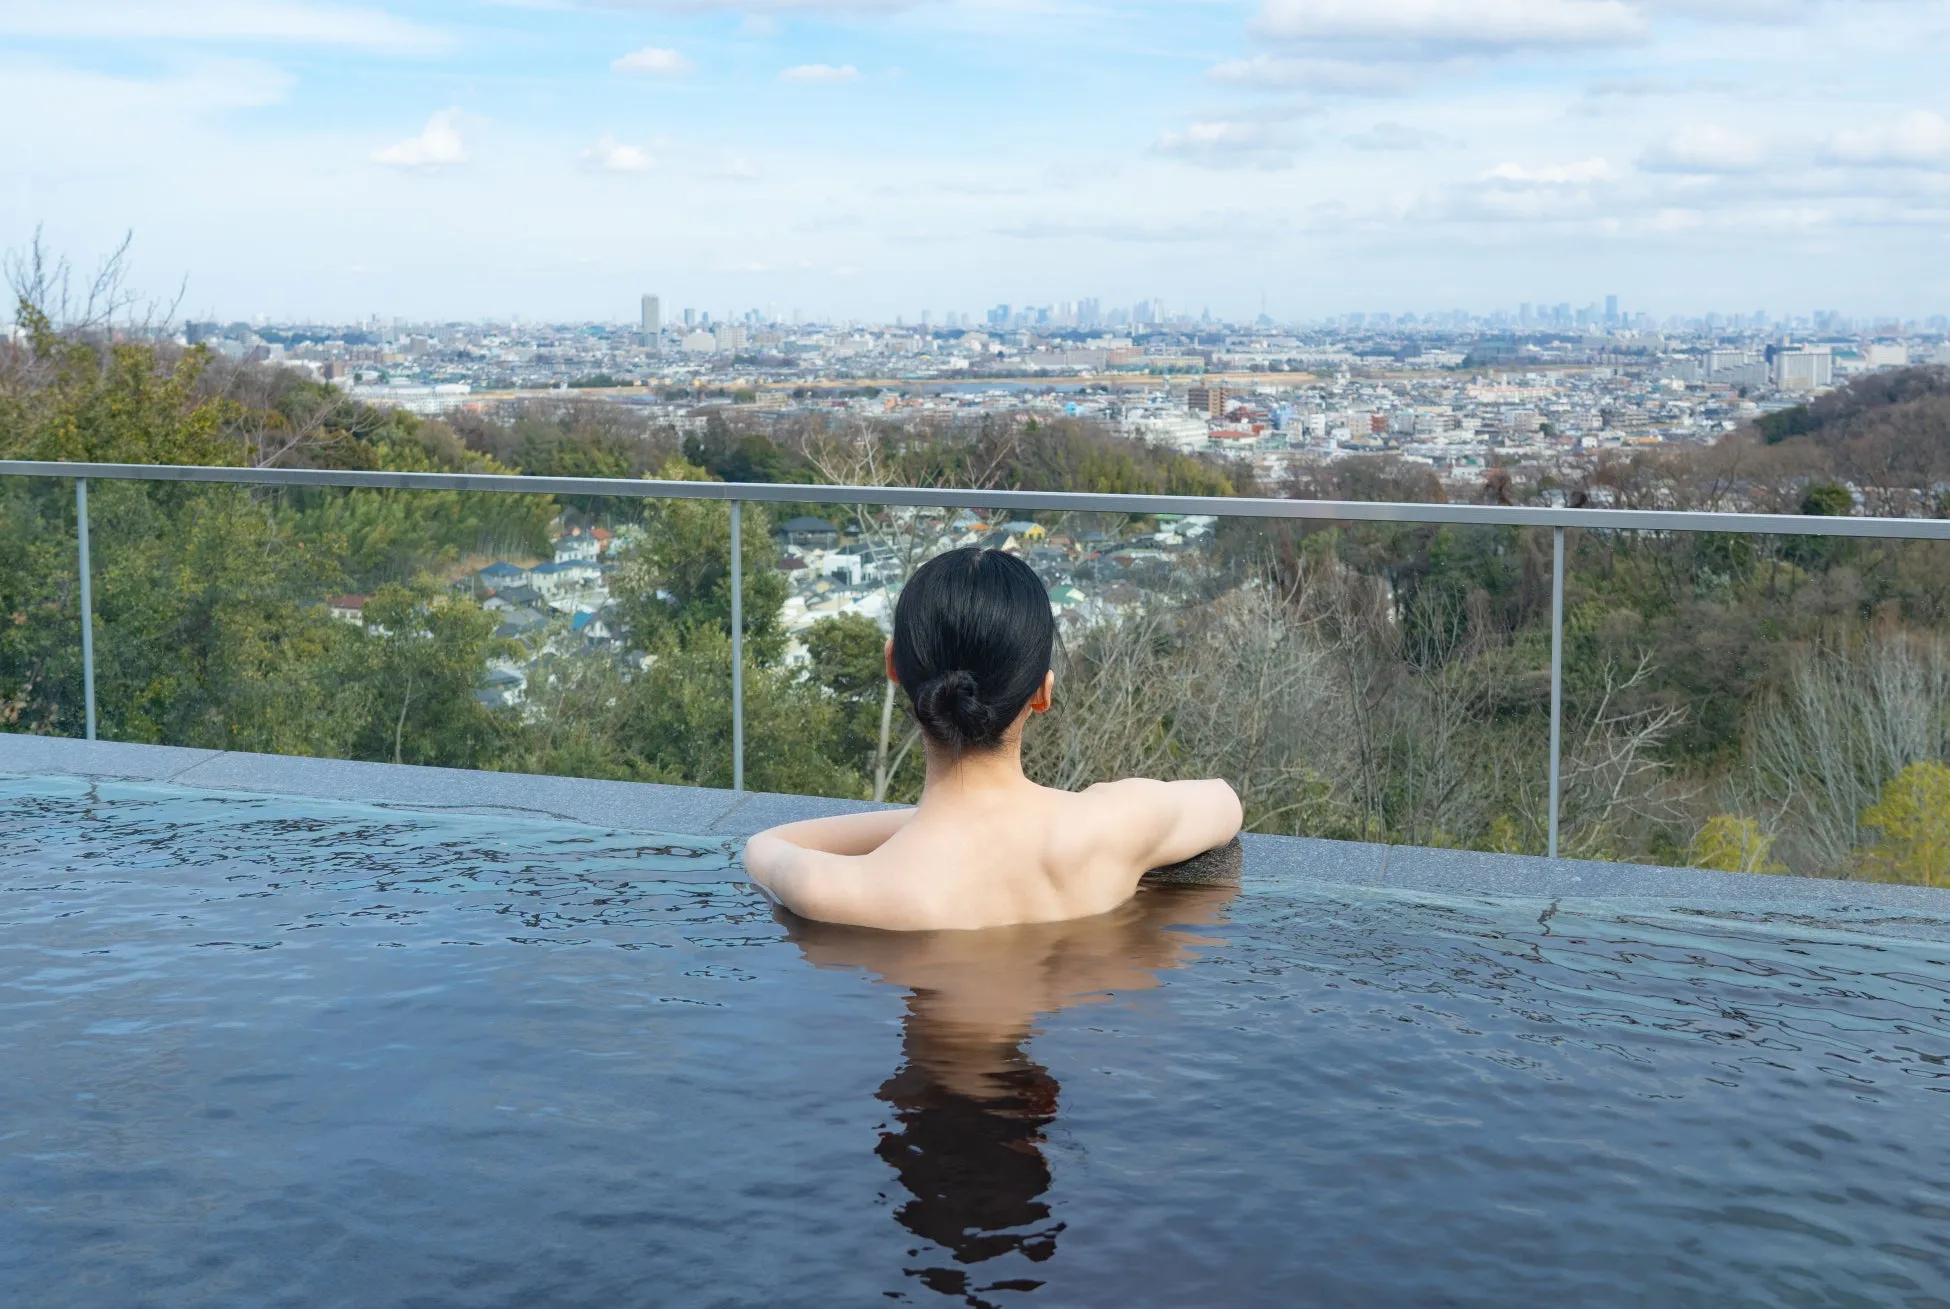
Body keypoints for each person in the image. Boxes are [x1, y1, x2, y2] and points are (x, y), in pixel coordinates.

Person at [743, 546, 1242, 931]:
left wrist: (930, 817)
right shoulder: (1115, 826)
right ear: (1042, 693)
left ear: (893, 665)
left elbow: (765, 846)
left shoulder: (833, 889)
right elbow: (1224, 803)